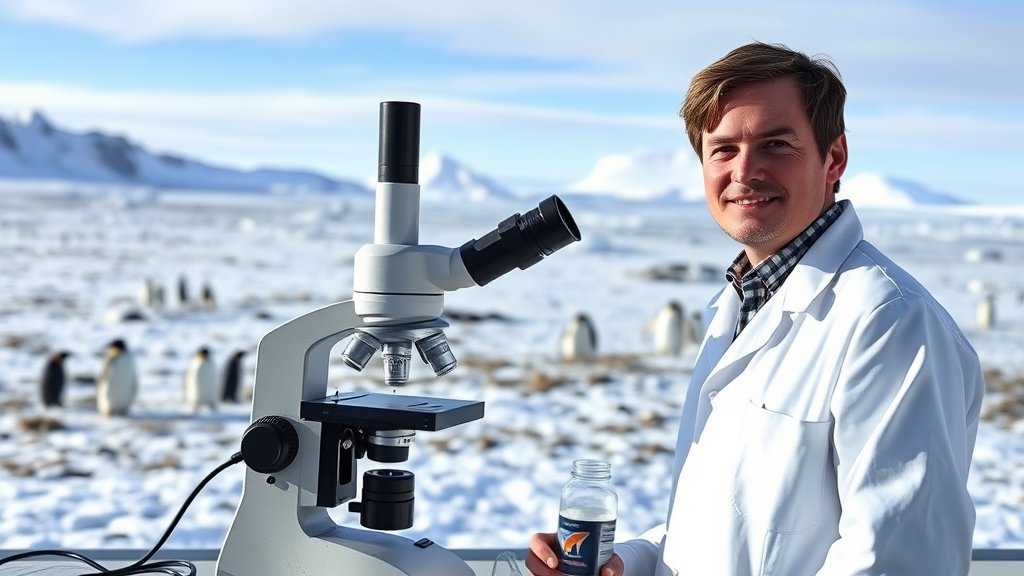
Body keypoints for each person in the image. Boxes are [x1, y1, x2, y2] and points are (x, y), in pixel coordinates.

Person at [527, 41, 984, 576]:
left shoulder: (890, 322)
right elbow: (727, 523)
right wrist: (627, 561)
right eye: (723, 149)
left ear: (832, 158)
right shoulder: (740, 304)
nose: (744, 171)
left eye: (776, 144)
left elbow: (901, 559)